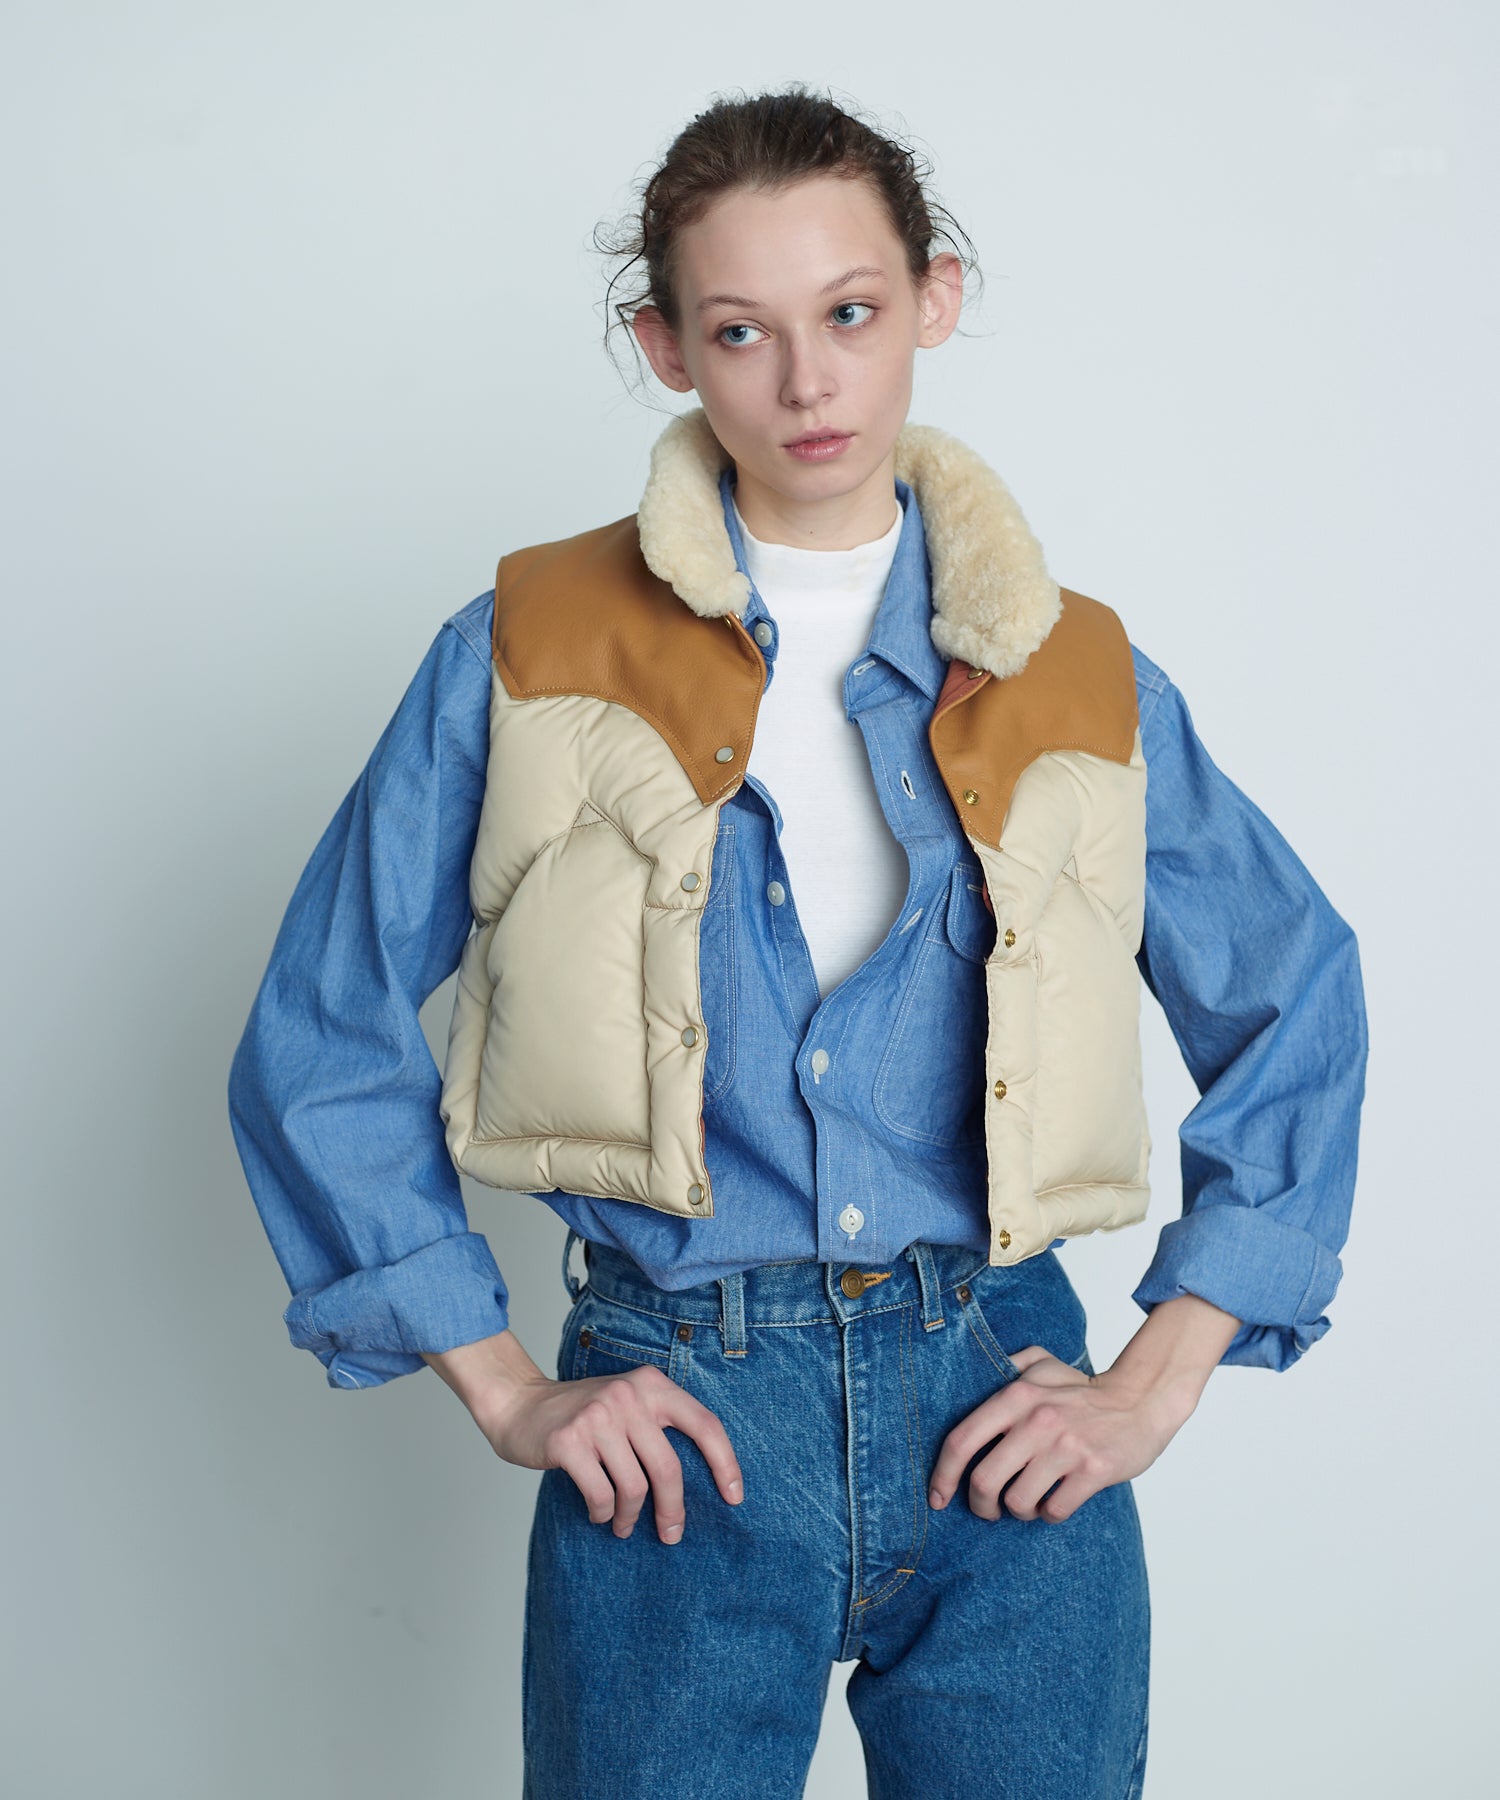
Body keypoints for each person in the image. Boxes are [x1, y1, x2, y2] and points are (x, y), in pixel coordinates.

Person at [227, 84, 1368, 1800]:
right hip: (674, 1434)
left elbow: (1298, 995)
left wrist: (1156, 1375)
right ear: (667, 347)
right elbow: (324, 1028)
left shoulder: (1077, 672)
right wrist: (508, 1389)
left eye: (850, 312)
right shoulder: (527, 647)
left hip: (1002, 1409)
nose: (808, 383)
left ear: (933, 299)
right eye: (742, 331)